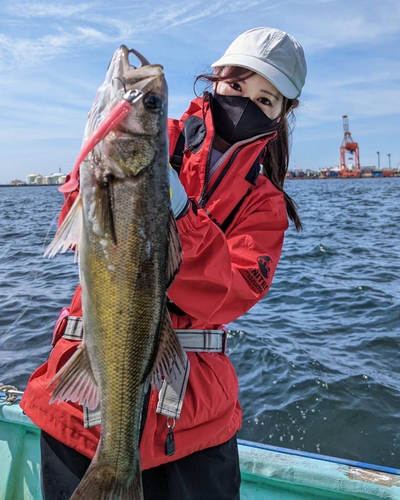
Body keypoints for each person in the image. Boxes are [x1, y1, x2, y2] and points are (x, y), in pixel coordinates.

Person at [20, 26, 307, 500]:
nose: (246, 104)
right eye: (237, 87)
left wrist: (176, 214)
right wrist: (97, 168)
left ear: (282, 115)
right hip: (82, 410)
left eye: (266, 100)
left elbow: (232, 292)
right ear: (214, 80)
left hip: (194, 424)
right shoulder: (157, 137)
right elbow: (77, 224)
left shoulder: (265, 204)